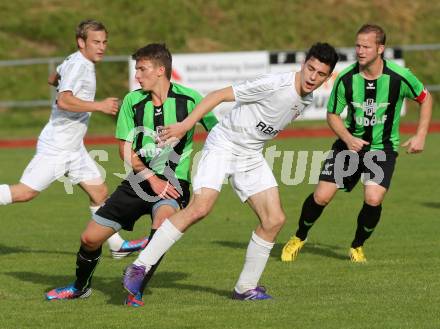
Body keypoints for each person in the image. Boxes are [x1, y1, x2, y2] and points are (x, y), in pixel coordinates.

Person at [122, 42, 339, 304]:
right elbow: (218, 95)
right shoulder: (275, 84)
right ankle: (140, 265)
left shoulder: (306, 99)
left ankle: (245, 288)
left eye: (320, 74)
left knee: (274, 220)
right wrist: (184, 126)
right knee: (200, 208)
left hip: (249, 155)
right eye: (310, 69)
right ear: (303, 64)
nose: (312, 78)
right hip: (223, 144)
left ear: (328, 77)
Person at [45, 43, 218, 303]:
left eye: (142, 69)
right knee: (89, 239)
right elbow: (124, 149)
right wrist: (151, 178)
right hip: (138, 181)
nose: (137, 75)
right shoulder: (132, 101)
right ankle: (80, 287)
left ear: (161, 70)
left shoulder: (191, 99)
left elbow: (219, 135)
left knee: (161, 226)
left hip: (174, 183)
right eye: (136, 69)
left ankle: (135, 289)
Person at [281, 24, 432, 263]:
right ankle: (299, 236)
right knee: (321, 196)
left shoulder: (400, 77)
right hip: (348, 146)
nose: (360, 51)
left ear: (380, 48)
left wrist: (421, 134)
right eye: (357, 46)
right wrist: (348, 139)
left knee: (373, 198)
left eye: (366, 46)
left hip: (382, 148)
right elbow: (332, 115)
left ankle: (357, 246)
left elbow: (426, 98)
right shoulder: (346, 79)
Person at [0, 19, 147, 258]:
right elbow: (63, 100)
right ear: (81, 42)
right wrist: (98, 105)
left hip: (73, 147)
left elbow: (53, 78)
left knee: (99, 192)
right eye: (96, 42)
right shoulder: (79, 66)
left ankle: (117, 246)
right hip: (58, 145)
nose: (101, 47)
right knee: (25, 193)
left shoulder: (74, 60)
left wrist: (61, 81)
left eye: (104, 42)